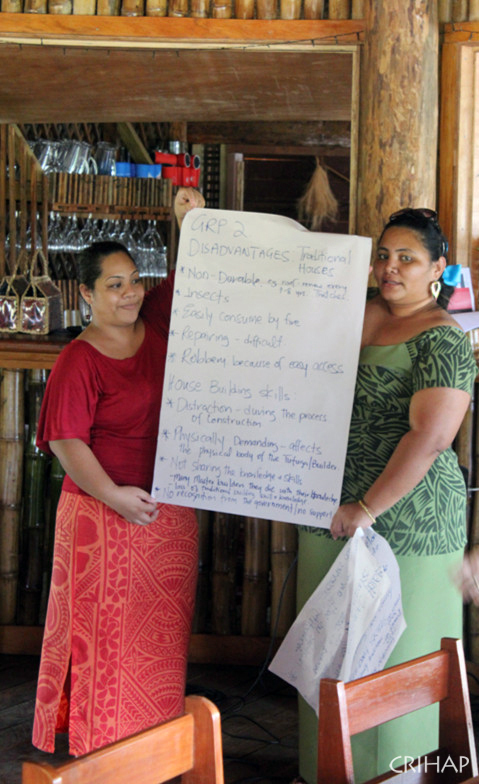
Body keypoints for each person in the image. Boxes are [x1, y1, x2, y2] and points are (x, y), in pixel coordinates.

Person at [297, 208, 478, 784]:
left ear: (438, 270)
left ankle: (405, 775)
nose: (390, 268)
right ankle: (321, 770)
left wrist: (368, 508)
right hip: (329, 513)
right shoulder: (354, 314)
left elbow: (430, 437)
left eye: (407, 258)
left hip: (408, 521)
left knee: (399, 659)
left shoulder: (443, 338)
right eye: (383, 255)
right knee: (327, 656)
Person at [32, 187, 205, 757]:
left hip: (167, 510)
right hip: (103, 516)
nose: (130, 292)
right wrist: (114, 496)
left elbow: (192, 276)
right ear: (85, 294)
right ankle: (101, 750)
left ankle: (153, 747)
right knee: (101, 640)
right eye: (114, 284)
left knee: (156, 640)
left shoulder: (154, 321)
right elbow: (65, 441)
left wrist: (188, 223)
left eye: (133, 279)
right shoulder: (78, 358)